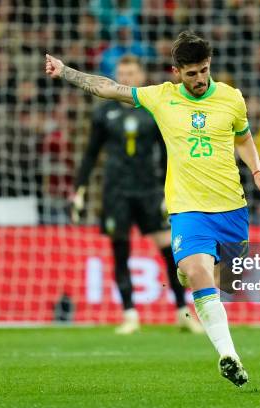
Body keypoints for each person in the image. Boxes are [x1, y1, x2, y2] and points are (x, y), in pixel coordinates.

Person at [45, 30, 260, 387]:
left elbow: (242, 137)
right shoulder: (161, 98)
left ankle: (189, 278)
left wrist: (257, 170)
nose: (200, 79)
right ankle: (230, 357)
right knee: (195, 269)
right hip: (187, 208)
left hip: (231, 207)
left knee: (216, 280)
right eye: (192, 73)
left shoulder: (231, 98)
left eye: (204, 70)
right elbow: (110, 88)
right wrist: (66, 72)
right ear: (176, 71)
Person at [74, 55, 203, 335]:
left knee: (168, 249)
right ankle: (129, 314)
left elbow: (170, 153)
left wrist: (172, 188)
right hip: (115, 191)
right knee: (120, 251)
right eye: (122, 73)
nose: (126, 77)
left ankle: (183, 312)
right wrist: (79, 189)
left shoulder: (154, 110)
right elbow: (91, 153)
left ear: (141, 76)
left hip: (149, 190)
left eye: (131, 72)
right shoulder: (103, 112)